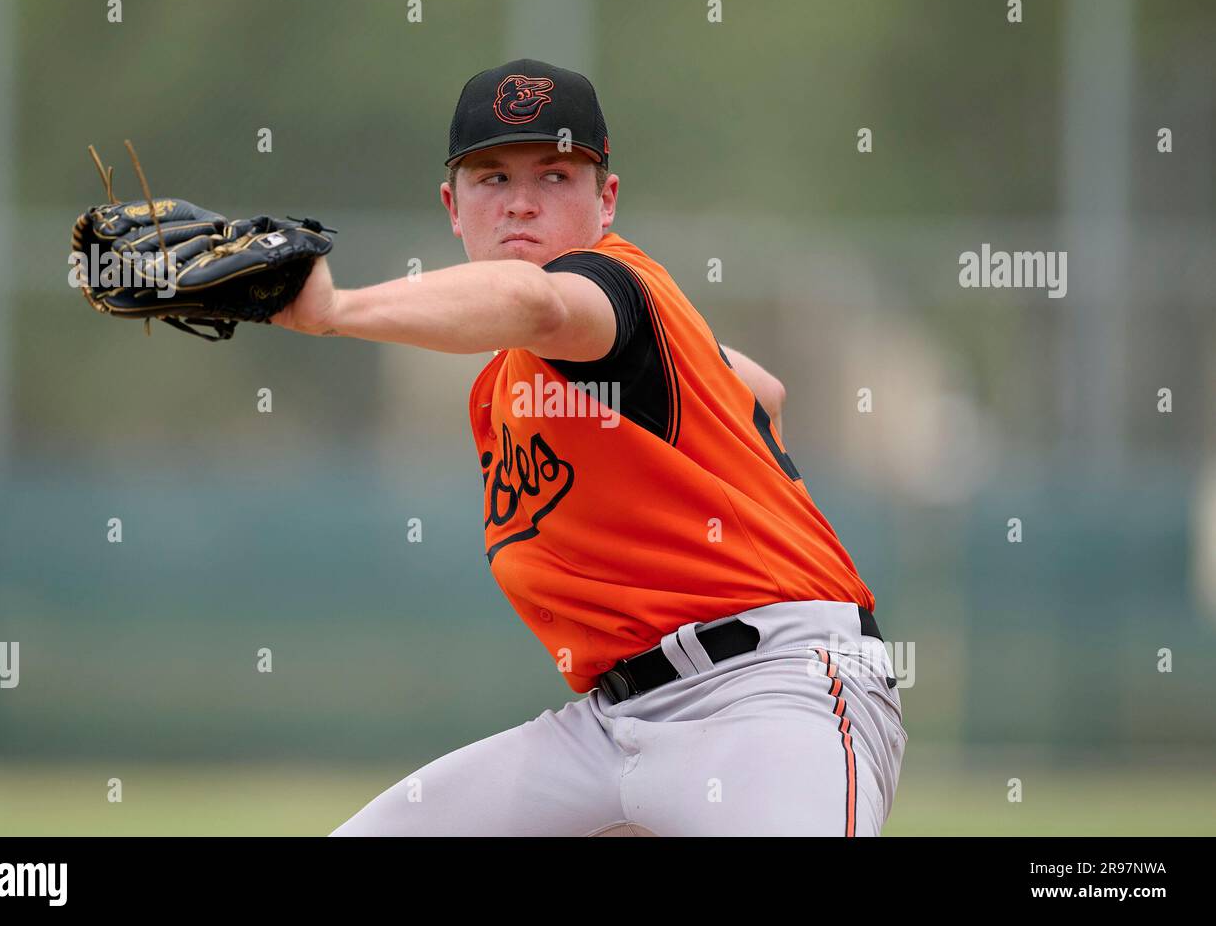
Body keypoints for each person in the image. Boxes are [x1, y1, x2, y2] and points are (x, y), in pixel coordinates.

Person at [273, 59, 906, 836]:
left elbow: (536, 302)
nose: (522, 204)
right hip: (610, 726)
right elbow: (763, 390)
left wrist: (334, 307)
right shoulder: (509, 387)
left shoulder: (611, 288)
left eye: (556, 175)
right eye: (491, 178)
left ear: (606, 200)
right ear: (453, 206)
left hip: (770, 698)